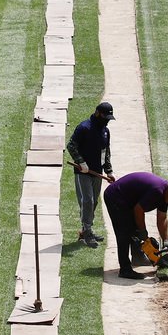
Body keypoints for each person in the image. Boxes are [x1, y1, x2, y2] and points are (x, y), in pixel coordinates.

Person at [102, 171, 168, 279]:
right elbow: (138, 210)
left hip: (127, 201)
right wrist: (143, 232)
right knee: (124, 232)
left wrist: (165, 240)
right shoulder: (157, 191)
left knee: (134, 229)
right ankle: (125, 269)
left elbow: (162, 219)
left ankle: (138, 258)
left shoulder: (164, 195)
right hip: (115, 197)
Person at [66, 102, 116, 248]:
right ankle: (87, 232)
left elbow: (105, 152)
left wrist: (109, 171)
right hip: (83, 172)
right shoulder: (84, 127)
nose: (107, 120)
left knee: (94, 202)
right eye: (105, 116)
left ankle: (85, 230)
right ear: (98, 113)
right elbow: (71, 146)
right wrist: (81, 163)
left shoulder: (105, 131)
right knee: (87, 200)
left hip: (97, 172)